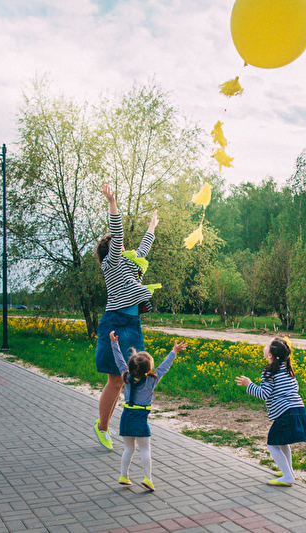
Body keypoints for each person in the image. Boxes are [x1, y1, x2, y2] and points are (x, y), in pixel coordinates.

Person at [93, 184, 159, 450]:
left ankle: (105, 425)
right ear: (110, 249)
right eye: (116, 243)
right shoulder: (111, 263)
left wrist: (152, 226)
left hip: (132, 324)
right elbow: (117, 233)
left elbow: (143, 249)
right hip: (116, 323)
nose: (122, 244)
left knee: (126, 378)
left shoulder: (130, 263)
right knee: (115, 380)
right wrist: (112, 203)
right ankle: (102, 428)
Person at [110, 330, 186, 491]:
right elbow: (164, 367)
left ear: (130, 367)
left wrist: (114, 344)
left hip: (126, 416)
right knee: (145, 449)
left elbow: (119, 361)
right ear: (149, 370)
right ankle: (148, 478)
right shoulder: (151, 381)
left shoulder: (126, 376)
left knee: (128, 449)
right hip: (140, 418)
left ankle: (123, 475)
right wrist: (174, 351)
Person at [235, 337, 306, 487]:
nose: (264, 347)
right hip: (298, 410)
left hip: (285, 414)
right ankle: (288, 471)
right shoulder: (288, 370)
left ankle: (288, 477)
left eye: (267, 345)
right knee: (283, 443)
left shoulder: (269, 372)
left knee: (272, 444)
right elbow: (294, 388)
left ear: (270, 354)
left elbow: (264, 394)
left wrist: (249, 384)